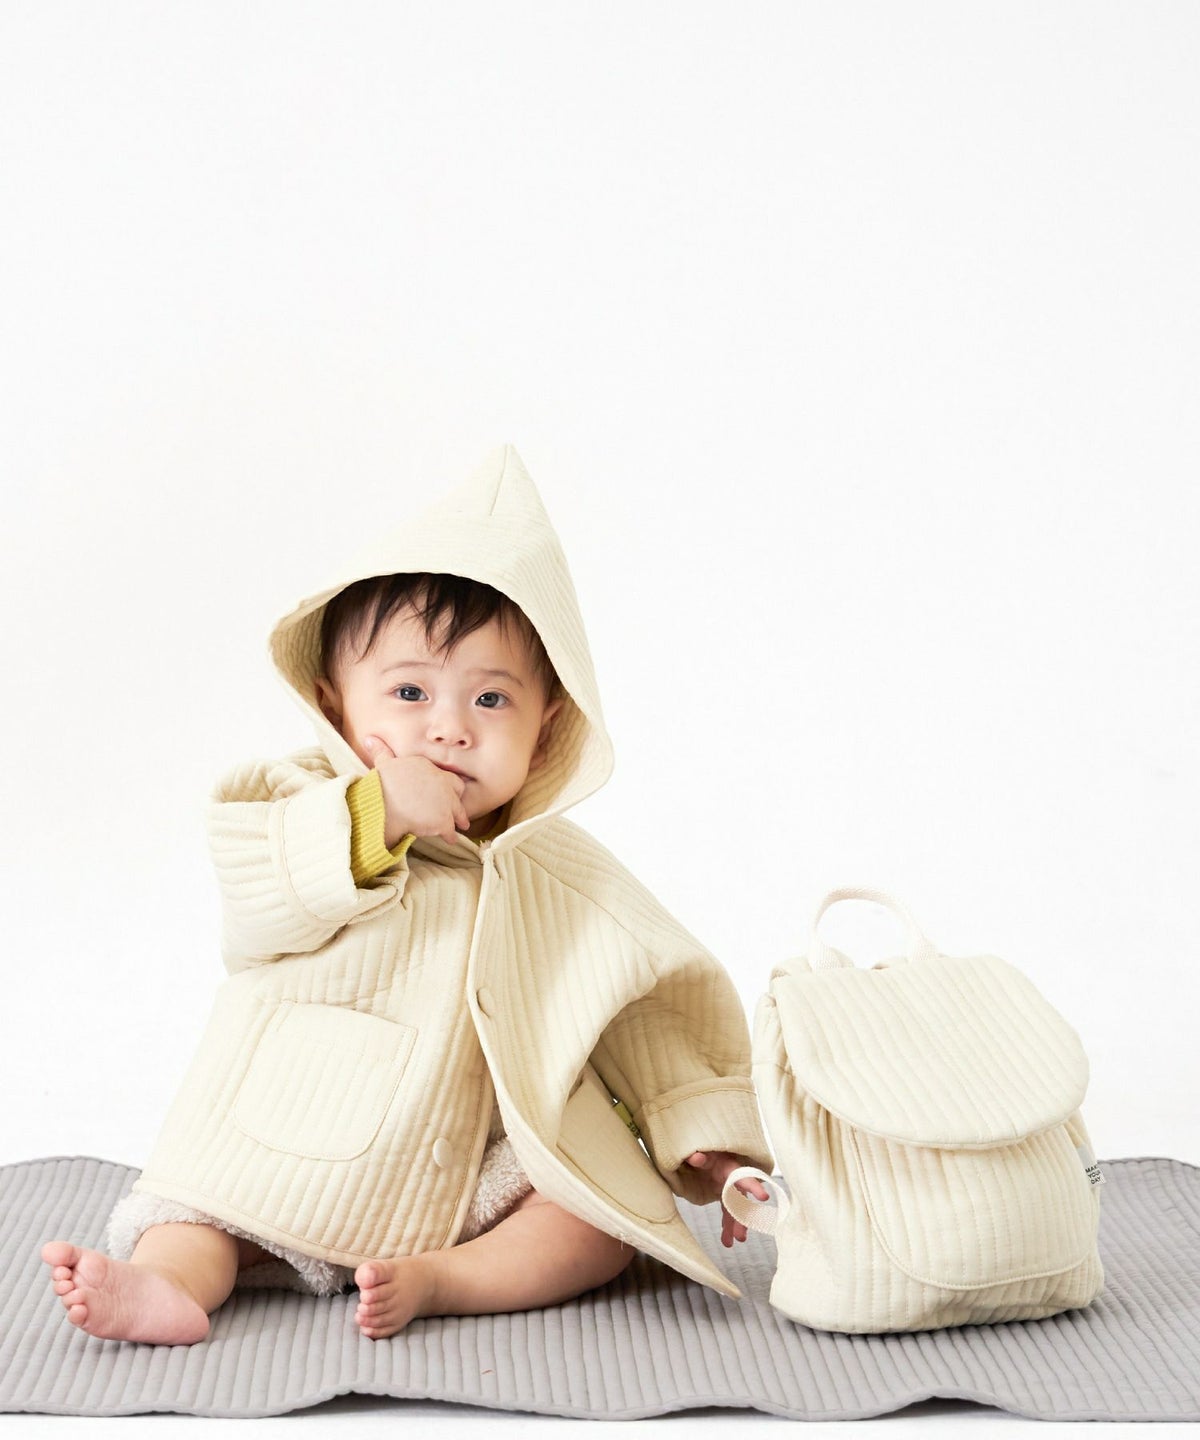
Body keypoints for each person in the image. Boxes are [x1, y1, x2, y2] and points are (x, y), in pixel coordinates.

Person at [42, 444, 774, 1344]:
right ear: (336, 705)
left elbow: (645, 1013)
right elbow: (257, 899)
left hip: (465, 1168)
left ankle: (446, 1279)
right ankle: (164, 1285)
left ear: (547, 729)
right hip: (281, 1137)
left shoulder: (564, 876)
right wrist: (375, 810)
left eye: (492, 701)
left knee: (593, 1227)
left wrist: (708, 1139)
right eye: (410, 691)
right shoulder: (298, 802)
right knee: (193, 1218)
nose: (450, 728)